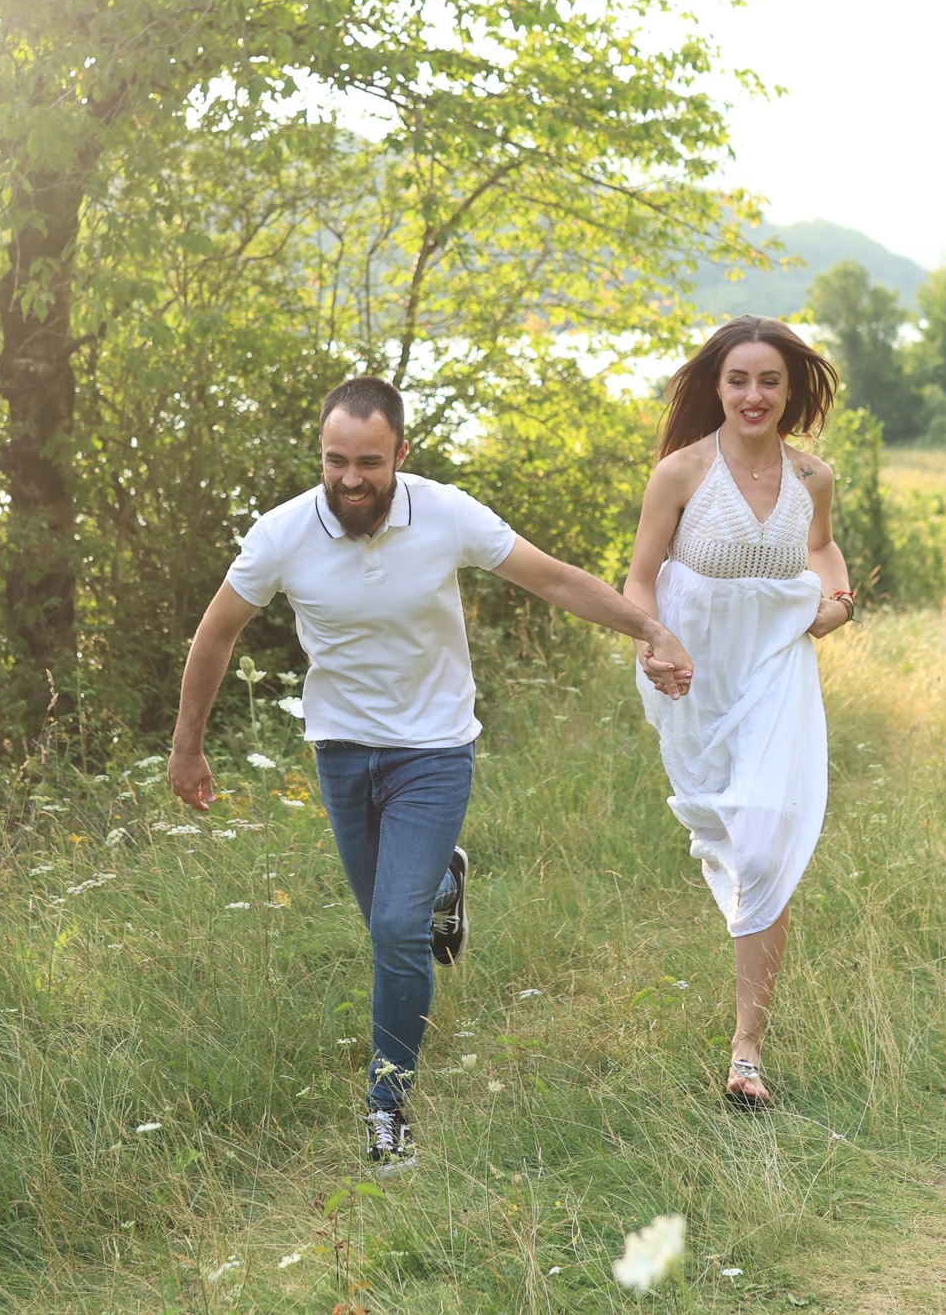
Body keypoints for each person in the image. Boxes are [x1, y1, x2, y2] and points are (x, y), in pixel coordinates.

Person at [169, 376, 693, 1170]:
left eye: (368, 461)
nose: (349, 478)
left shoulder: (446, 514)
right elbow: (214, 636)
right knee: (389, 925)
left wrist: (647, 626)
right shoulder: (281, 535)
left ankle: (388, 1106)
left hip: (435, 752)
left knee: (391, 930)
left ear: (400, 455)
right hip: (341, 752)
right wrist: (187, 745)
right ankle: (443, 882)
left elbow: (550, 576)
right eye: (335, 460)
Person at [622, 317, 854, 1110]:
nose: (753, 395)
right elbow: (640, 577)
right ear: (716, 386)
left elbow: (821, 549)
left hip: (777, 666)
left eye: (769, 381)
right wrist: (654, 640)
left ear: (791, 391)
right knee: (722, 827)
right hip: (695, 669)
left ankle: (746, 1051)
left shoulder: (812, 477)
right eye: (738, 380)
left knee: (764, 841)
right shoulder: (682, 473)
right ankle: (745, 1035)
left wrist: (837, 601)